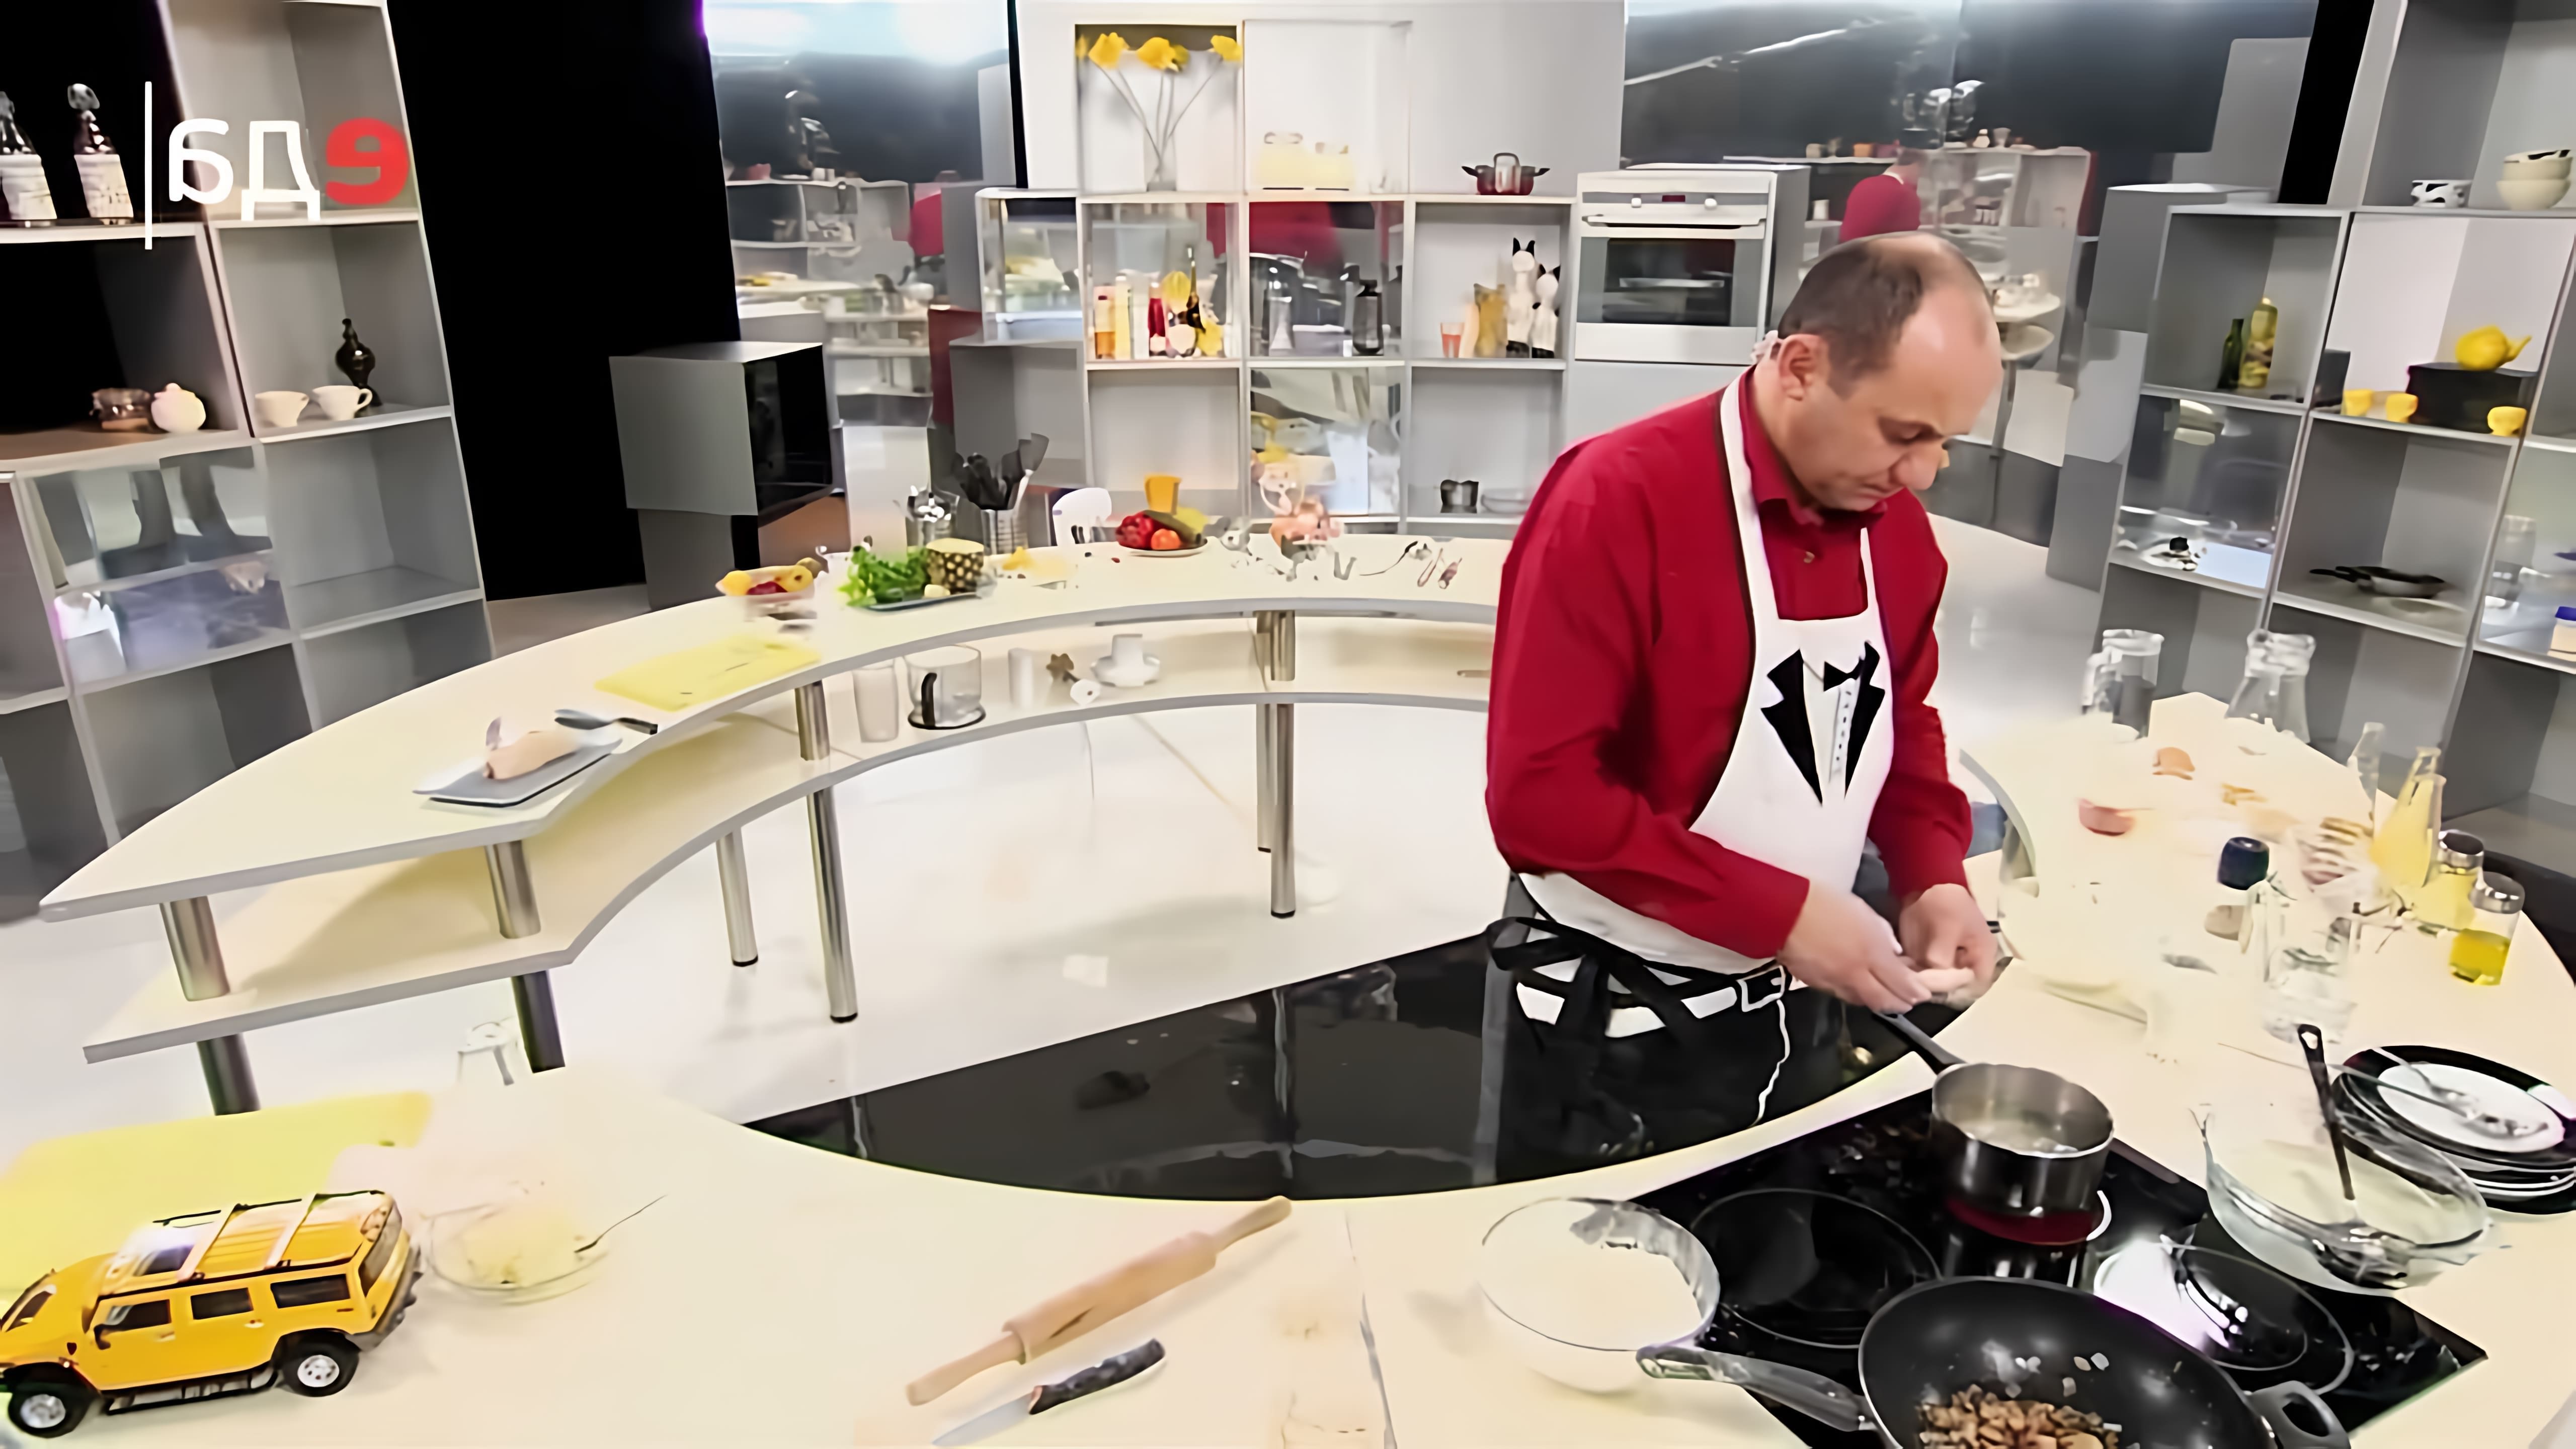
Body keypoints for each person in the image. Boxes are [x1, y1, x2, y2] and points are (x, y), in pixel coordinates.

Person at [1482, 233, 2002, 1169]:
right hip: (1619, 1018)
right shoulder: (1618, 500)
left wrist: (1932, 875)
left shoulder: (1899, 536)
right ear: (1801, 367)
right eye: (1902, 434)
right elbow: (1541, 799)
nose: (1924, 475)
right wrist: (1782, 914)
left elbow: (1896, 722)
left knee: (1776, 1232)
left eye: (1945, 444)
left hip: (1808, 989)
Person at [1838, 149, 1925, 242]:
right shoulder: (1905, 194)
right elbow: (1910, 237)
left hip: (1845, 249)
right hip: (1875, 250)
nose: (1919, 178)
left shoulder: (1864, 184)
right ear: (1916, 167)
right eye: (1920, 174)